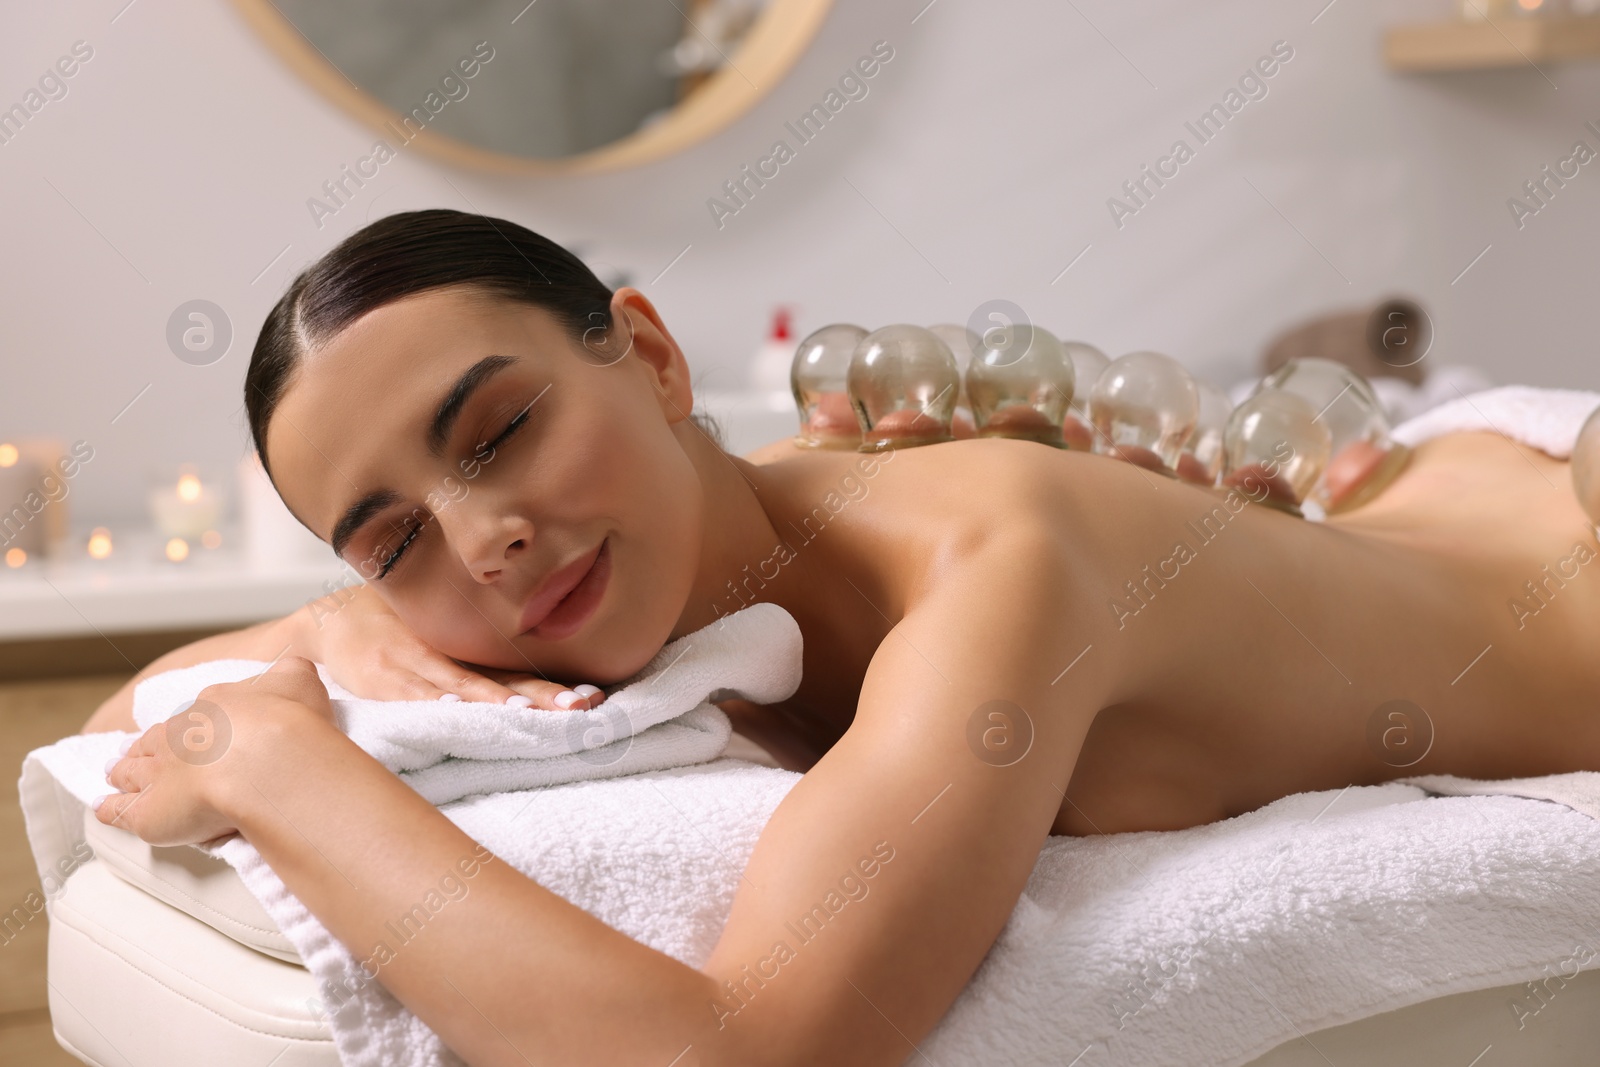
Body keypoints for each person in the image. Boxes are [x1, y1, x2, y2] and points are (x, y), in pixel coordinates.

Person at [82, 210, 1600, 1066]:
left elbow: (745, 1063)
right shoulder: (641, 571)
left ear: (657, 357)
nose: (485, 540)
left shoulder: (995, 569)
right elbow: (133, 711)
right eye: (394, 537)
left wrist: (284, 765)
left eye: (501, 432)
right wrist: (348, 622)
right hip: (1409, 507)